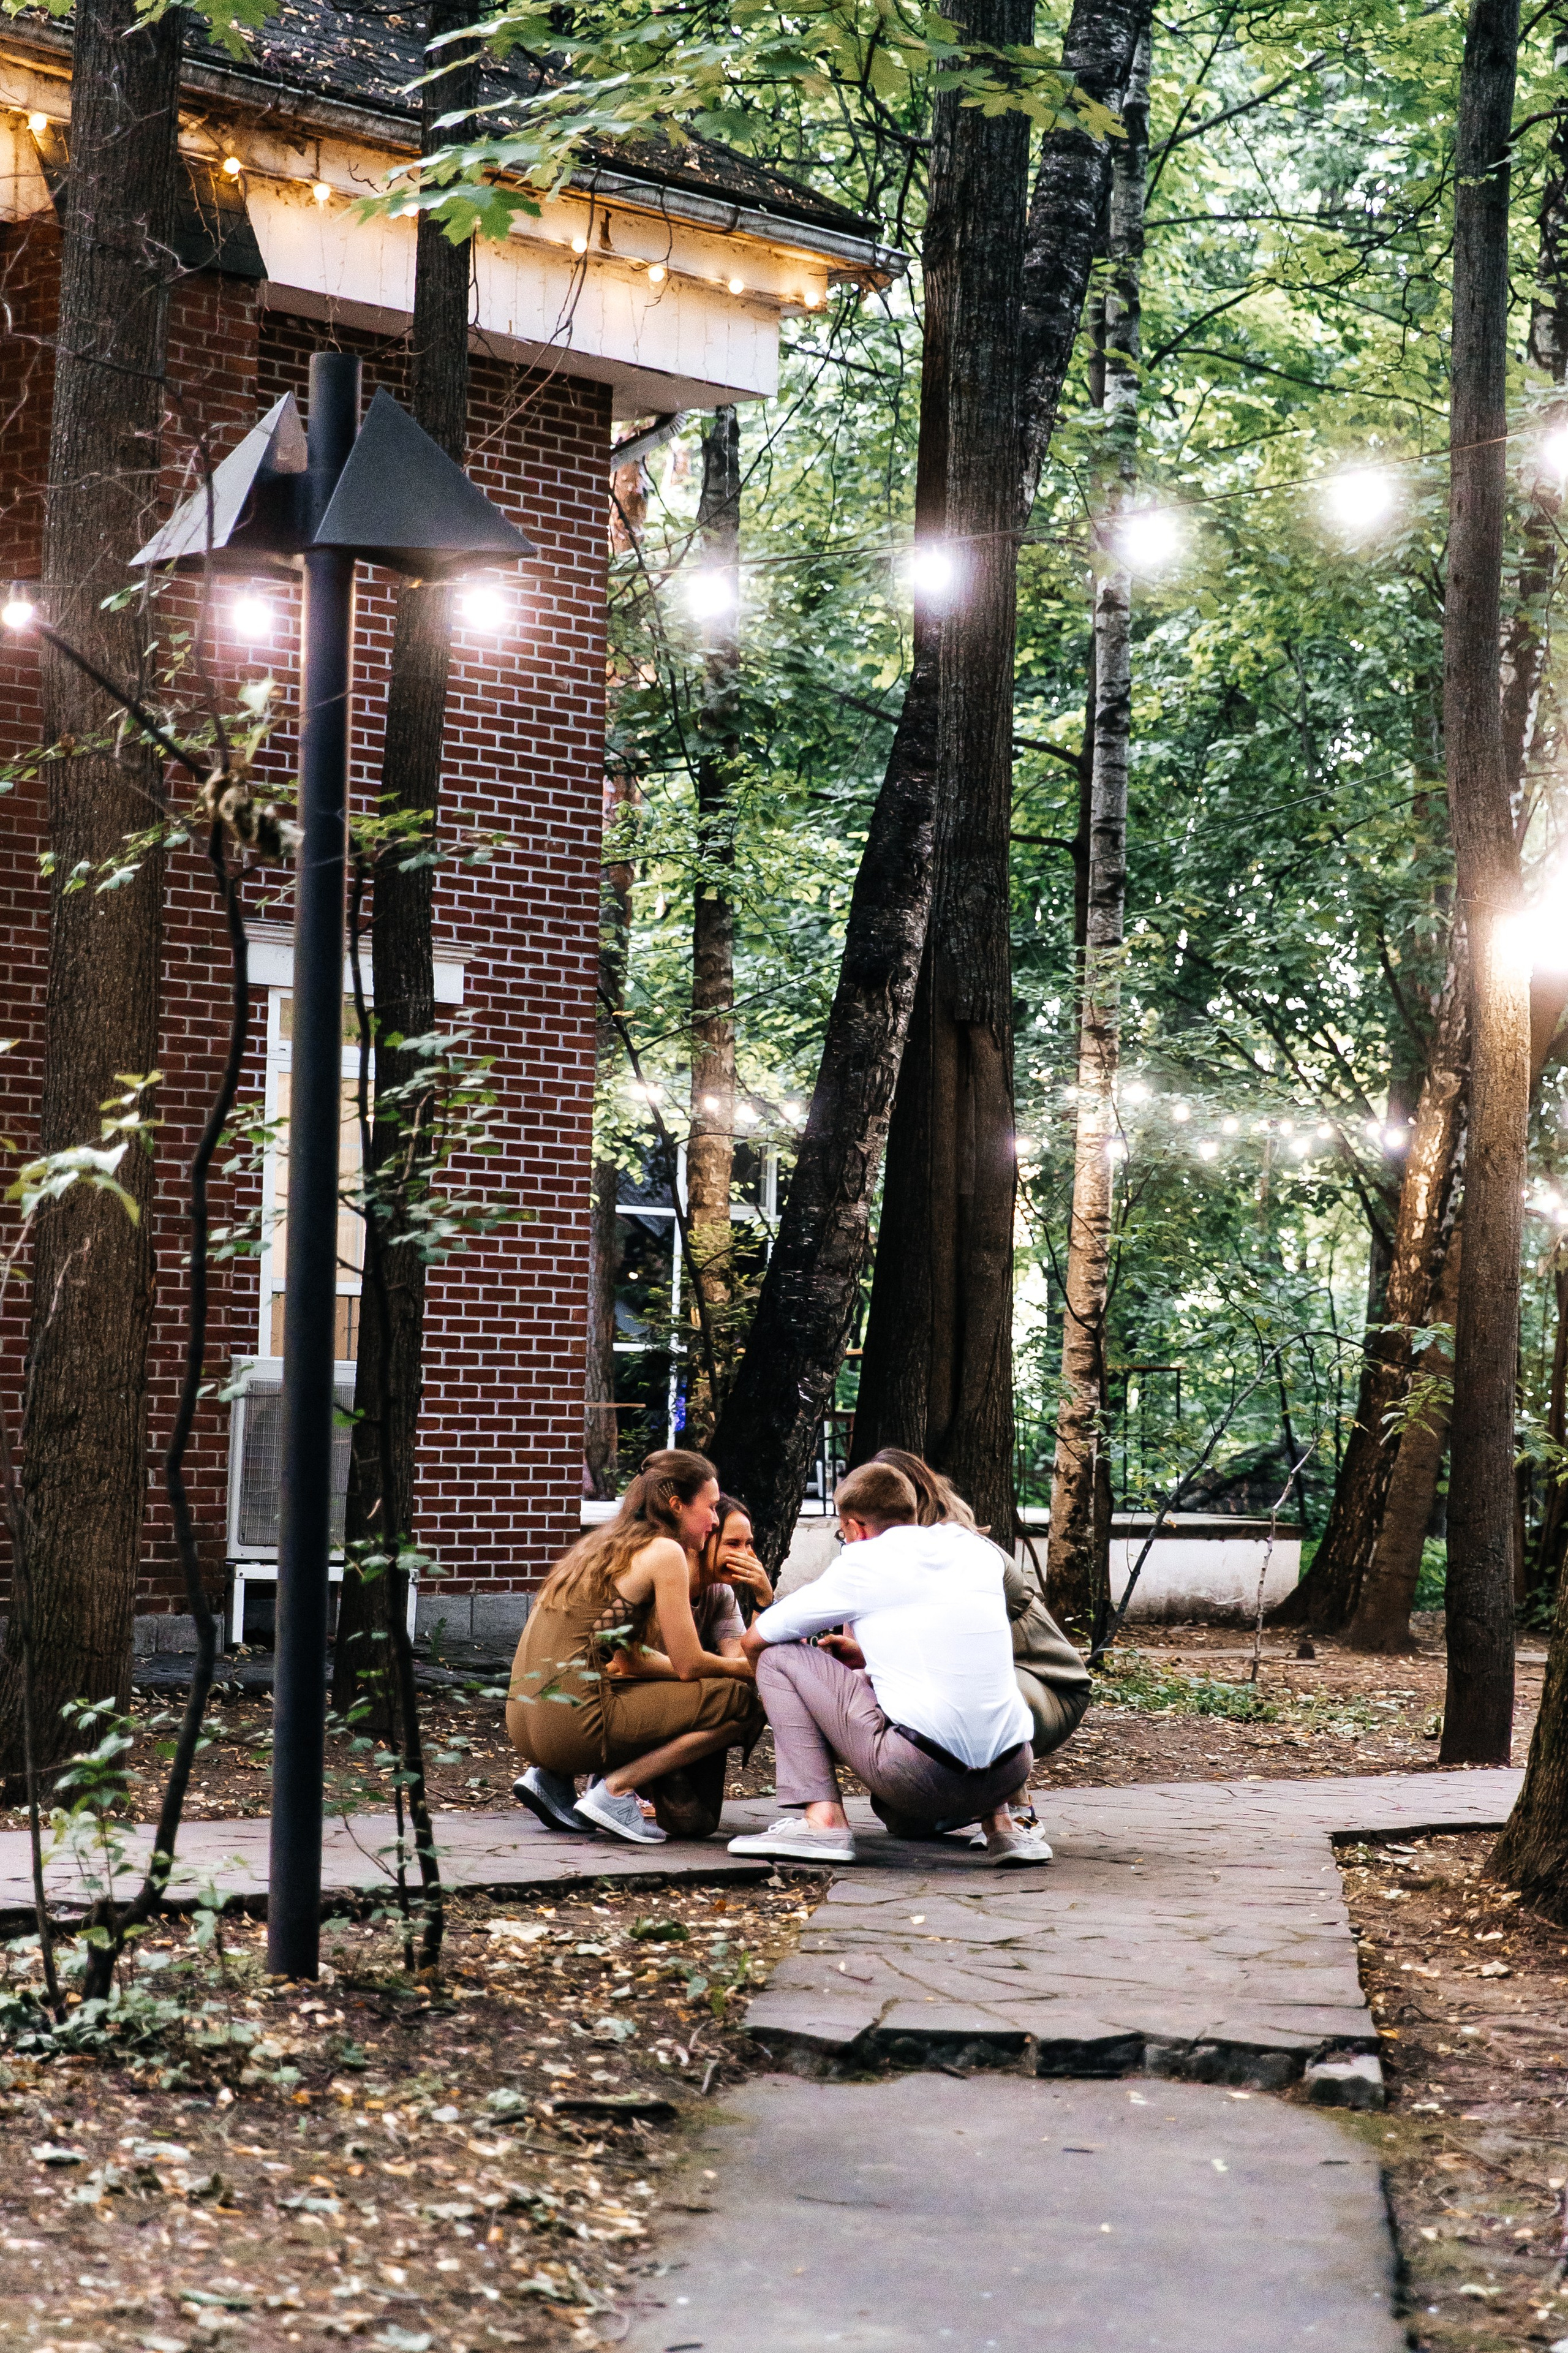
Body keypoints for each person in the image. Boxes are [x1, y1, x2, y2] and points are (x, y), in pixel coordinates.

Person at [728, 1461, 1050, 1868]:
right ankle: (1003, 1826)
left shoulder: (863, 1562)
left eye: (843, 1533)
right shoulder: (974, 1549)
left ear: (856, 1527)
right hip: (1012, 1769)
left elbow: (758, 1638)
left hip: (919, 1776)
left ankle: (822, 1821)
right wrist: (867, 1664)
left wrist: (795, 1711)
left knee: (777, 1657)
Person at [508, 1448, 763, 1845]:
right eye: (711, 1507)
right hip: (573, 1726)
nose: (714, 1520)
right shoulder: (666, 1551)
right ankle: (615, 1791)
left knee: (649, 1687)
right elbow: (689, 1665)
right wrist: (750, 1670)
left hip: (525, 1723)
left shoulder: (601, 1544)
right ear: (677, 1504)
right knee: (741, 1702)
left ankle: (553, 1780)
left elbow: (623, 1652)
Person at [872, 1447, 1090, 1795]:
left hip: (1044, 1681)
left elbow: (954, 1649)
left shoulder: (966, 1552)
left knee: (976, 1689)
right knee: (906, 1822)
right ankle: (973, 1799)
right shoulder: (882, 1552)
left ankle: (1016, 1813)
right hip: (977, 1677)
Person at [638, 1494, 774, 1838]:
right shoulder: (664, 1578)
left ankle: (656, 1781)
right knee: (731, 1696)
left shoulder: (720, 1595)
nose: (745, 1555)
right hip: (637, 1704)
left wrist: (764, 1600)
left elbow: (744, 1664)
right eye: (732, 1543)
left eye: (749, 1545)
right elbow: (632, 1662)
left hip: (687, 1703)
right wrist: (703, 1670)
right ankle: (617, 1781)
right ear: (703, 1541)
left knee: (698, 1824)